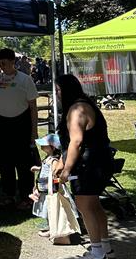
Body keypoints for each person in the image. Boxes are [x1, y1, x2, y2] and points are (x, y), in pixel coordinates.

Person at [53, 74, 115, 259]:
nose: (56, 94)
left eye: (58, 90)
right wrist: (62, 161)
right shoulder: (85, 104)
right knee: (94, 205)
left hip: (88, 165)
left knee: (84, 205)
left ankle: (97, 252)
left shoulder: (76, 110)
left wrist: (66, 170)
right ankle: (106, 248)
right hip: (100, 161)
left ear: (66, 90)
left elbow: (76, 142)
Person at [0, 48, 38, 209]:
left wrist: (33, 131)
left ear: (13, 62)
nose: (2, 66)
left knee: (24, 162)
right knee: (4, 161)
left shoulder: (25, 79)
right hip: (1, 123)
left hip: (21, 123)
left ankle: (26, 195)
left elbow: (33, 107)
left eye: (5, 63)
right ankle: (9, 194)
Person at [29, 134, 77, 244]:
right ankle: (51, 229)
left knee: (53, 209)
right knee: (48, 210)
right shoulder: (47, 159)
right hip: (46, 189)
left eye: (44, 145)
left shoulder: (55, 160)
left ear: (53, 147)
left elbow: (55, 173)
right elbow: (46, 169)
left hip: (53, 190)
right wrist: (38, 168)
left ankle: (55, 230)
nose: (42, 147)